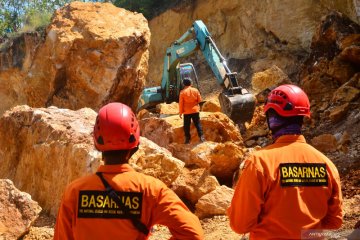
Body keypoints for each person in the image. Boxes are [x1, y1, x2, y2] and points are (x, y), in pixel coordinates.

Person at [54, 102, 204, 240]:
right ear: (135, 145)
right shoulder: (150, 190)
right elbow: (193, 234)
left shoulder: (74, 192)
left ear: (97, 143)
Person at [227, 84, 343, 239]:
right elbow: (334, 222)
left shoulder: (260, 162)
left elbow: (240, 224)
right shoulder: (327, 165)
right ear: (302, 117)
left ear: (272, 119)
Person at [179, 78, 205, 144]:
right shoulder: (195, 90)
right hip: (195, 110)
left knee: (186, 125)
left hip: (187, 112)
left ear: (184, 84)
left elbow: (181, 103)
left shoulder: (182, 92)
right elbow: (200, 100)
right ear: (191, 83)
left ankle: (187, 139)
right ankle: (202, 137)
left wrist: (180, 113)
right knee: (198, 124)